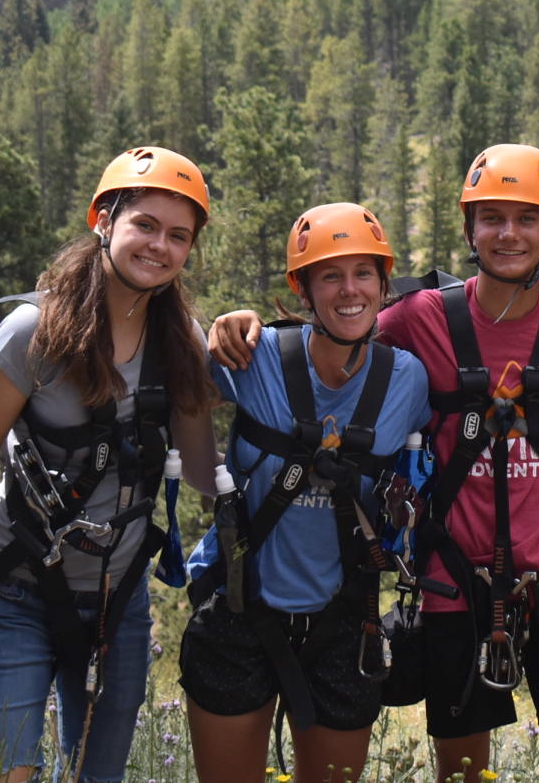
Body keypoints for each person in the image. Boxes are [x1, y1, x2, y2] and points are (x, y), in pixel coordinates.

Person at [210, 144, 539, 783]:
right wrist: (243, 325)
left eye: (527, 219)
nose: (508, 233)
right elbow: (344, 329)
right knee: (459, 766)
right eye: (491, 218)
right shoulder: (420, 318)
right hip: (456, 578)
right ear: (468, 229)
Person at [0, 146, 219, 783]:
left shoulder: (183, 347)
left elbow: (203, 474)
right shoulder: (32, 333)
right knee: (9, 774)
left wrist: (262, 356)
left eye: (178, 236)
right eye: (144, 225)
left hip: (117, 603)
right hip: (14, 588)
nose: (159, 247)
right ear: (105, 221)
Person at [179, 202, 431, 783]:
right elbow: (172, 380)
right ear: (303, 288)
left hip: (345, 623)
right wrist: (222, 327)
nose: (350, 291)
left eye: (363, 274)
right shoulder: (254, 355)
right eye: (330, 276)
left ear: (384, 282)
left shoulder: (407, 380)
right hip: (242, 612)